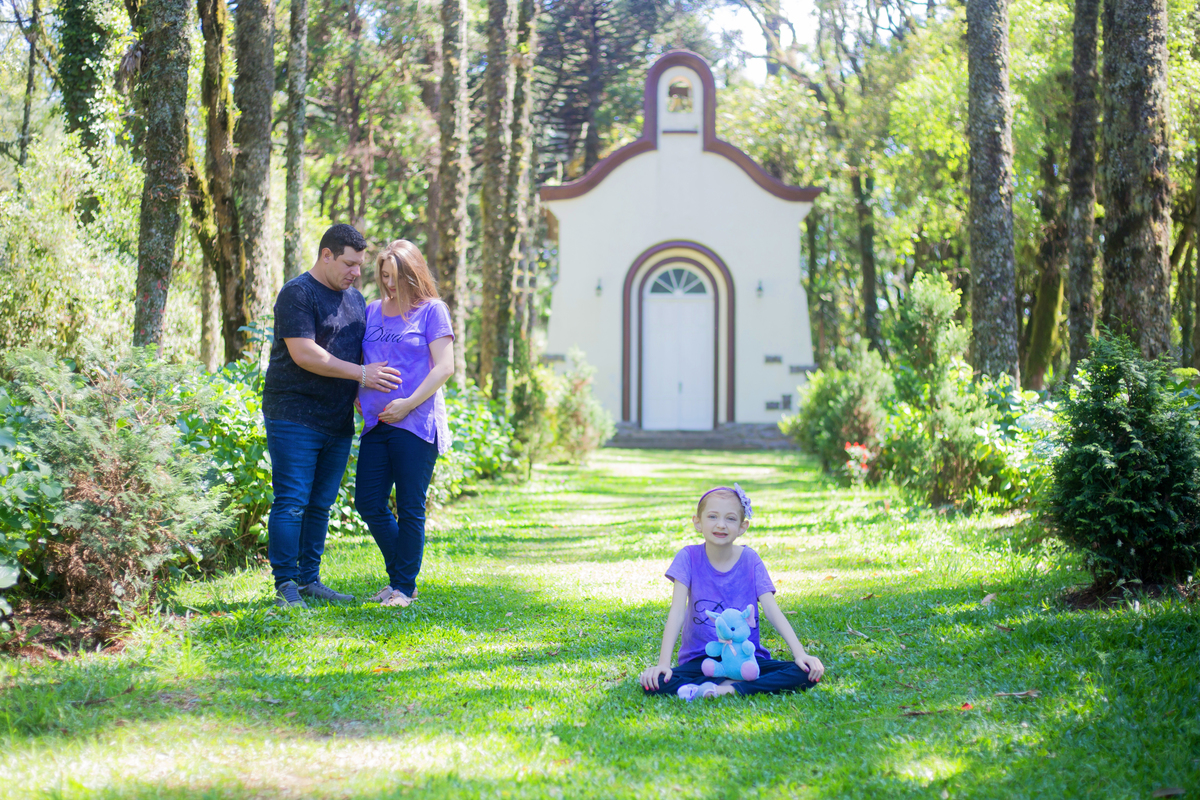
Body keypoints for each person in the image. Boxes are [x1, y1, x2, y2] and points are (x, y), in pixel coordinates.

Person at [263, 224, 402, 609]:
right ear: (326, 255)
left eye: (359, 265)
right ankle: (286, 584)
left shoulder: (356, 300)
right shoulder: (298, 293)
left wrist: (362, 391)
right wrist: (360, 375)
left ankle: (309, 579)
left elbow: (361, 354)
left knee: (321, 503)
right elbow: (305, 353)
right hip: (293, 413)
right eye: (349, 263)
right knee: (291, 500)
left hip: (337, 419)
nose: (356, 272)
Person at [639, 485, 826, 699]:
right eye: (712, 516)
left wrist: (800, 654)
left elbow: (773, 612)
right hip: (702, 660)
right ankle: (733, 686)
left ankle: (723, 689)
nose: (721, 525)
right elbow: (677, 612)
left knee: (804, 674)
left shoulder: (751, 560)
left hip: (748, 660)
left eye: (730, 518)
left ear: (742, 526)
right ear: (697, 522)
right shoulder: (688, 557)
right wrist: (663, 664)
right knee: (652, 684)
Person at [355, 240, 455, 608]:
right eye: (384, 276)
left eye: (397, 277)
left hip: (415, 423)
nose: (390, 285)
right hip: (376, 424)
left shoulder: (432, 311)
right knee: (367, 501)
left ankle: (402, 586)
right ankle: (402, 580)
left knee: (410, 506)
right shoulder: (372, 311)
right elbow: (360, 361)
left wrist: (407, 405)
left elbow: (445, 366)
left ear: (414, 274)